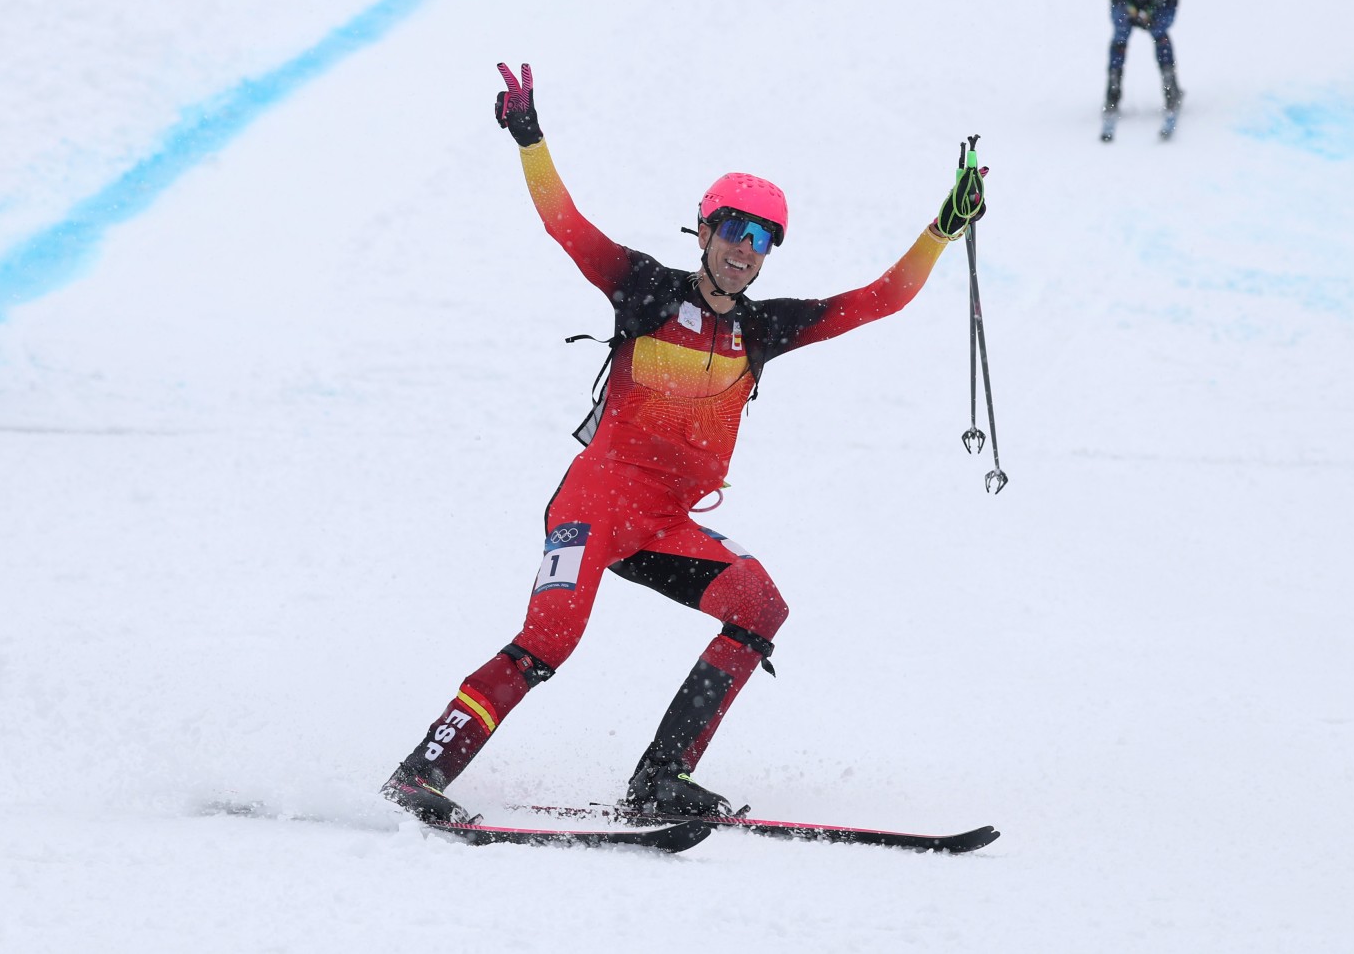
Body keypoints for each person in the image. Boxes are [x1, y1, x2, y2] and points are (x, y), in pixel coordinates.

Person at [380, 63, 987, 824]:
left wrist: (944, 227)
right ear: (703, 231)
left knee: (758, 604)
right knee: (549, 640)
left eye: (762, 239)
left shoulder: (761, 328)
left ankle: (661, 778)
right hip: (597, 503)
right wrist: (529, 138)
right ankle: (422, 772)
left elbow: (880, 299)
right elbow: (565, 224)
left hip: (665, 522)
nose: (745, 248)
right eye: (733, 229)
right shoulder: (645, 289)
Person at [1103, 0, 1182, 140]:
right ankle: (1113, 89)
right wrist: (1129, 13)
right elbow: (1116, 8)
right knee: (1120, 38)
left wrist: (1154, 21)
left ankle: (1170, 85)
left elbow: (1170, 14)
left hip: (1155, 12)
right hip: (1128, 10)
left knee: (1161, 35)